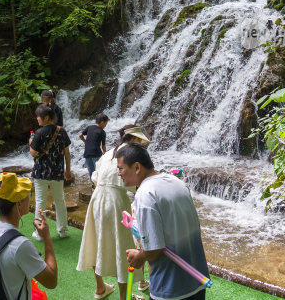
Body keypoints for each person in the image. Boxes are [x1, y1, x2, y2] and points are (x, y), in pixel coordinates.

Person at [118, 143, 209, 300]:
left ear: (137, 167)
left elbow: (154, 249)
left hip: (170, 288)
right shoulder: (176, 182)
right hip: (197, 280)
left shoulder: (145, 194)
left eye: (120, 168)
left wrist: (138, 257)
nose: (119, 173)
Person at [77, 125, 151, 300]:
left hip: (97, 198)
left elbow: (95, 176)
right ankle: (124, 297)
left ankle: (100, 288)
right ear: (135, 139)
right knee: (123, 246)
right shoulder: (131, 154)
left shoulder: (108, 153)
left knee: (96, 241)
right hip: (116, 200)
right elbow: (135, 183)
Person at [0, 172, 58, 299]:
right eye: (28, 195)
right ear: (18, 203)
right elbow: (51, 281)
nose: (30, 198)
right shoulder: (20, 245)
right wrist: (47, 238)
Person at [29, 104, 73, 240]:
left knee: (40, 202)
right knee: (60, 201)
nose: (37, 119)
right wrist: (68, 170)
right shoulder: (62, 131)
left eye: (39, 116)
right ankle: (63, 231)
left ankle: (39, 233)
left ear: (46, 118)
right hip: (57, 172)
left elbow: (33, 153)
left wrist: (30, 142)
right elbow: (67, 153)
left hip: (41, 173)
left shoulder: (39, 133)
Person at [79, 113, 109, 181]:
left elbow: (80, 135)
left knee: (91, 172)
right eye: (106, 124)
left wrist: (85, 141)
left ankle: (93, 186)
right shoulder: (102, 132)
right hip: (96, 154)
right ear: (102, 122)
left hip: (87, 154)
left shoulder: (89, 127)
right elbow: (103, 145)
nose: (105, 126)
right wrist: (105, 153)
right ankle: (98, 187)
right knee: (98, 172)